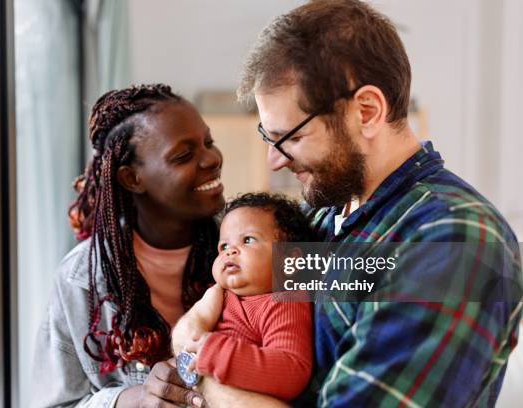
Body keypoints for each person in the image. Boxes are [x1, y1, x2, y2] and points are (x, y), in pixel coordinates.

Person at [180, 1, 523, 407]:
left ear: (367, 111)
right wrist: (192, 352)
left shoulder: (453, 240)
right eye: (268, 137)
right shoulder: (322, 217)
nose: (276, 159)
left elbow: (200, 358)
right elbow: (236, 321)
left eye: (291, 136)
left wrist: (204, 379)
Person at [30, 84, 225, 407]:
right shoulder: (81, 279)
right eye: (183, 155)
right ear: (132, 179)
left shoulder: (254, 244)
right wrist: (130, 399)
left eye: (209, 142)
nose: (212, 159)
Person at [171, 192, 313, 401]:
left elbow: (292, 370)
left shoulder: (284, 300)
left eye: (247, 240)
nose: (230, 252)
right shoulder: (218, 295)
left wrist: (216, 351)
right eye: (224, 246)